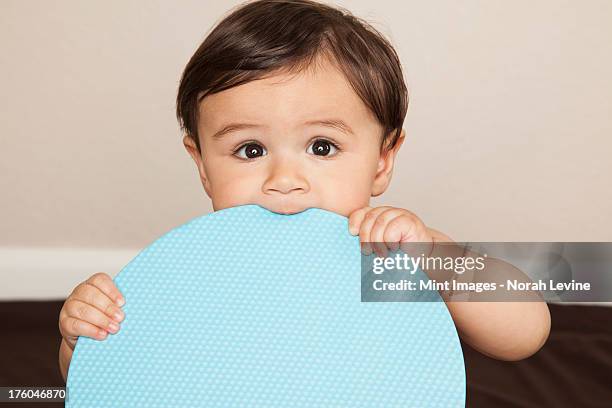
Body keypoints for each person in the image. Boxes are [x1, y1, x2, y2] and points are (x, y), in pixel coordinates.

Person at [58, 0, 550, 382]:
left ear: (383, 160)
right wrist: (82, 338)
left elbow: (525, 334)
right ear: (202, 165)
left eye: (322, 146)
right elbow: (112, 381)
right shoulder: (193, 269)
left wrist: (437, 257)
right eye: (250, 150)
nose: (284, 179)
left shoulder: (389, 259)